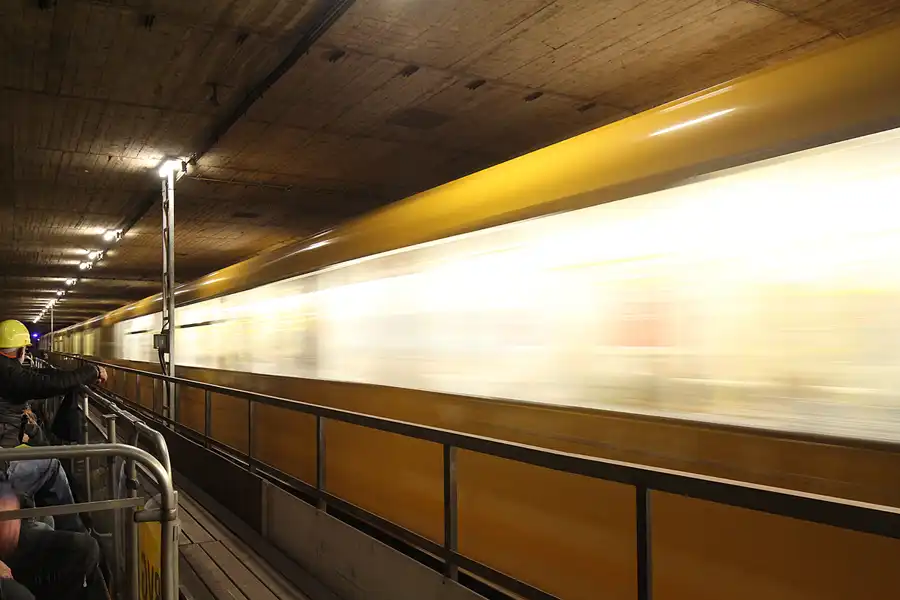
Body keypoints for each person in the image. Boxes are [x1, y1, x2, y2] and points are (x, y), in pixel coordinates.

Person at [0, 320, 107, 531]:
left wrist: (81, 374)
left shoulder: (6, 369)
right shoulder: (7, 374)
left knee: (44, 448)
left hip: (7, 445)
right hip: (3, 458)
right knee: (51, 465)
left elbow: (44, 376)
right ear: (21, 350)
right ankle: (75, 532)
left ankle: (46, 521)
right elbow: (46, 383)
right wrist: (91, 372)